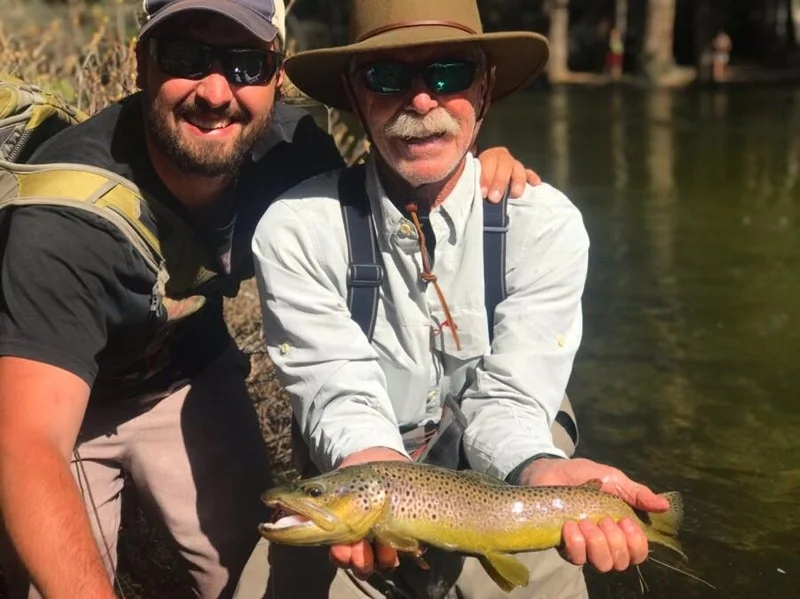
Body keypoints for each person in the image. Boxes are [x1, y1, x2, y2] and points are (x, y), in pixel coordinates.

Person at [0, 0, 538, 598]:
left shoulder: (292, 150)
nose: (214, 91)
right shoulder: (64, 220)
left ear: (277, 76)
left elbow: (391, 188)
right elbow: (27, 441)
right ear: (140, 65)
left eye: (246, 64)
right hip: (57, 402)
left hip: (187, 367)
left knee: (251, 576)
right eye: (184, 56)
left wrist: (471, 176)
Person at [251, 0, 673, 598]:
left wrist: (540, 471)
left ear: (485, 86)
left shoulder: (544, 226)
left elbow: (512, 401)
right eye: (387, 76)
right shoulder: (296, 230)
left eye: (448, 73)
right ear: (354, 90)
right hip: (360, 477)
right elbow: (337, 391)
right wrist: (380, 482)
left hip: (509, 486)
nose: (421, 101)